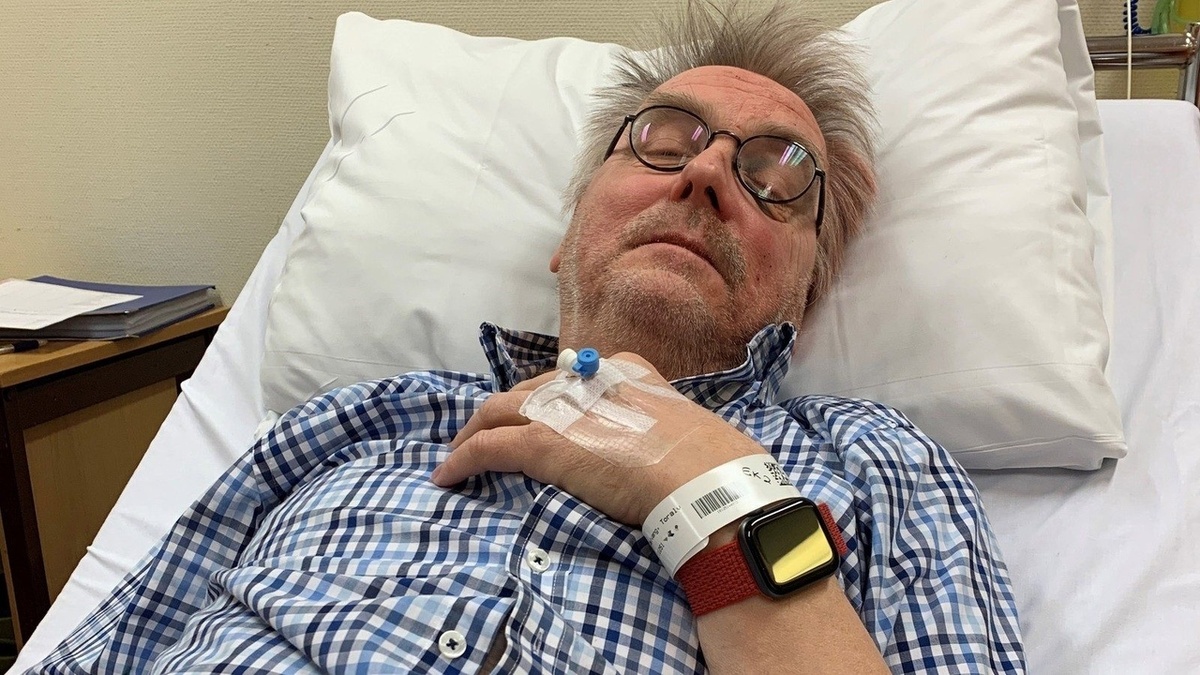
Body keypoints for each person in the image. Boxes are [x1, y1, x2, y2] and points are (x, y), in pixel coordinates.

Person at [30, 3, 1024, 673]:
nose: (706, 175)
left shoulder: (877, 464)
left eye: (776, 175)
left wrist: (707, 487)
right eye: (664, 140)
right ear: (568, 234)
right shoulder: (362, 422)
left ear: (805, 292)